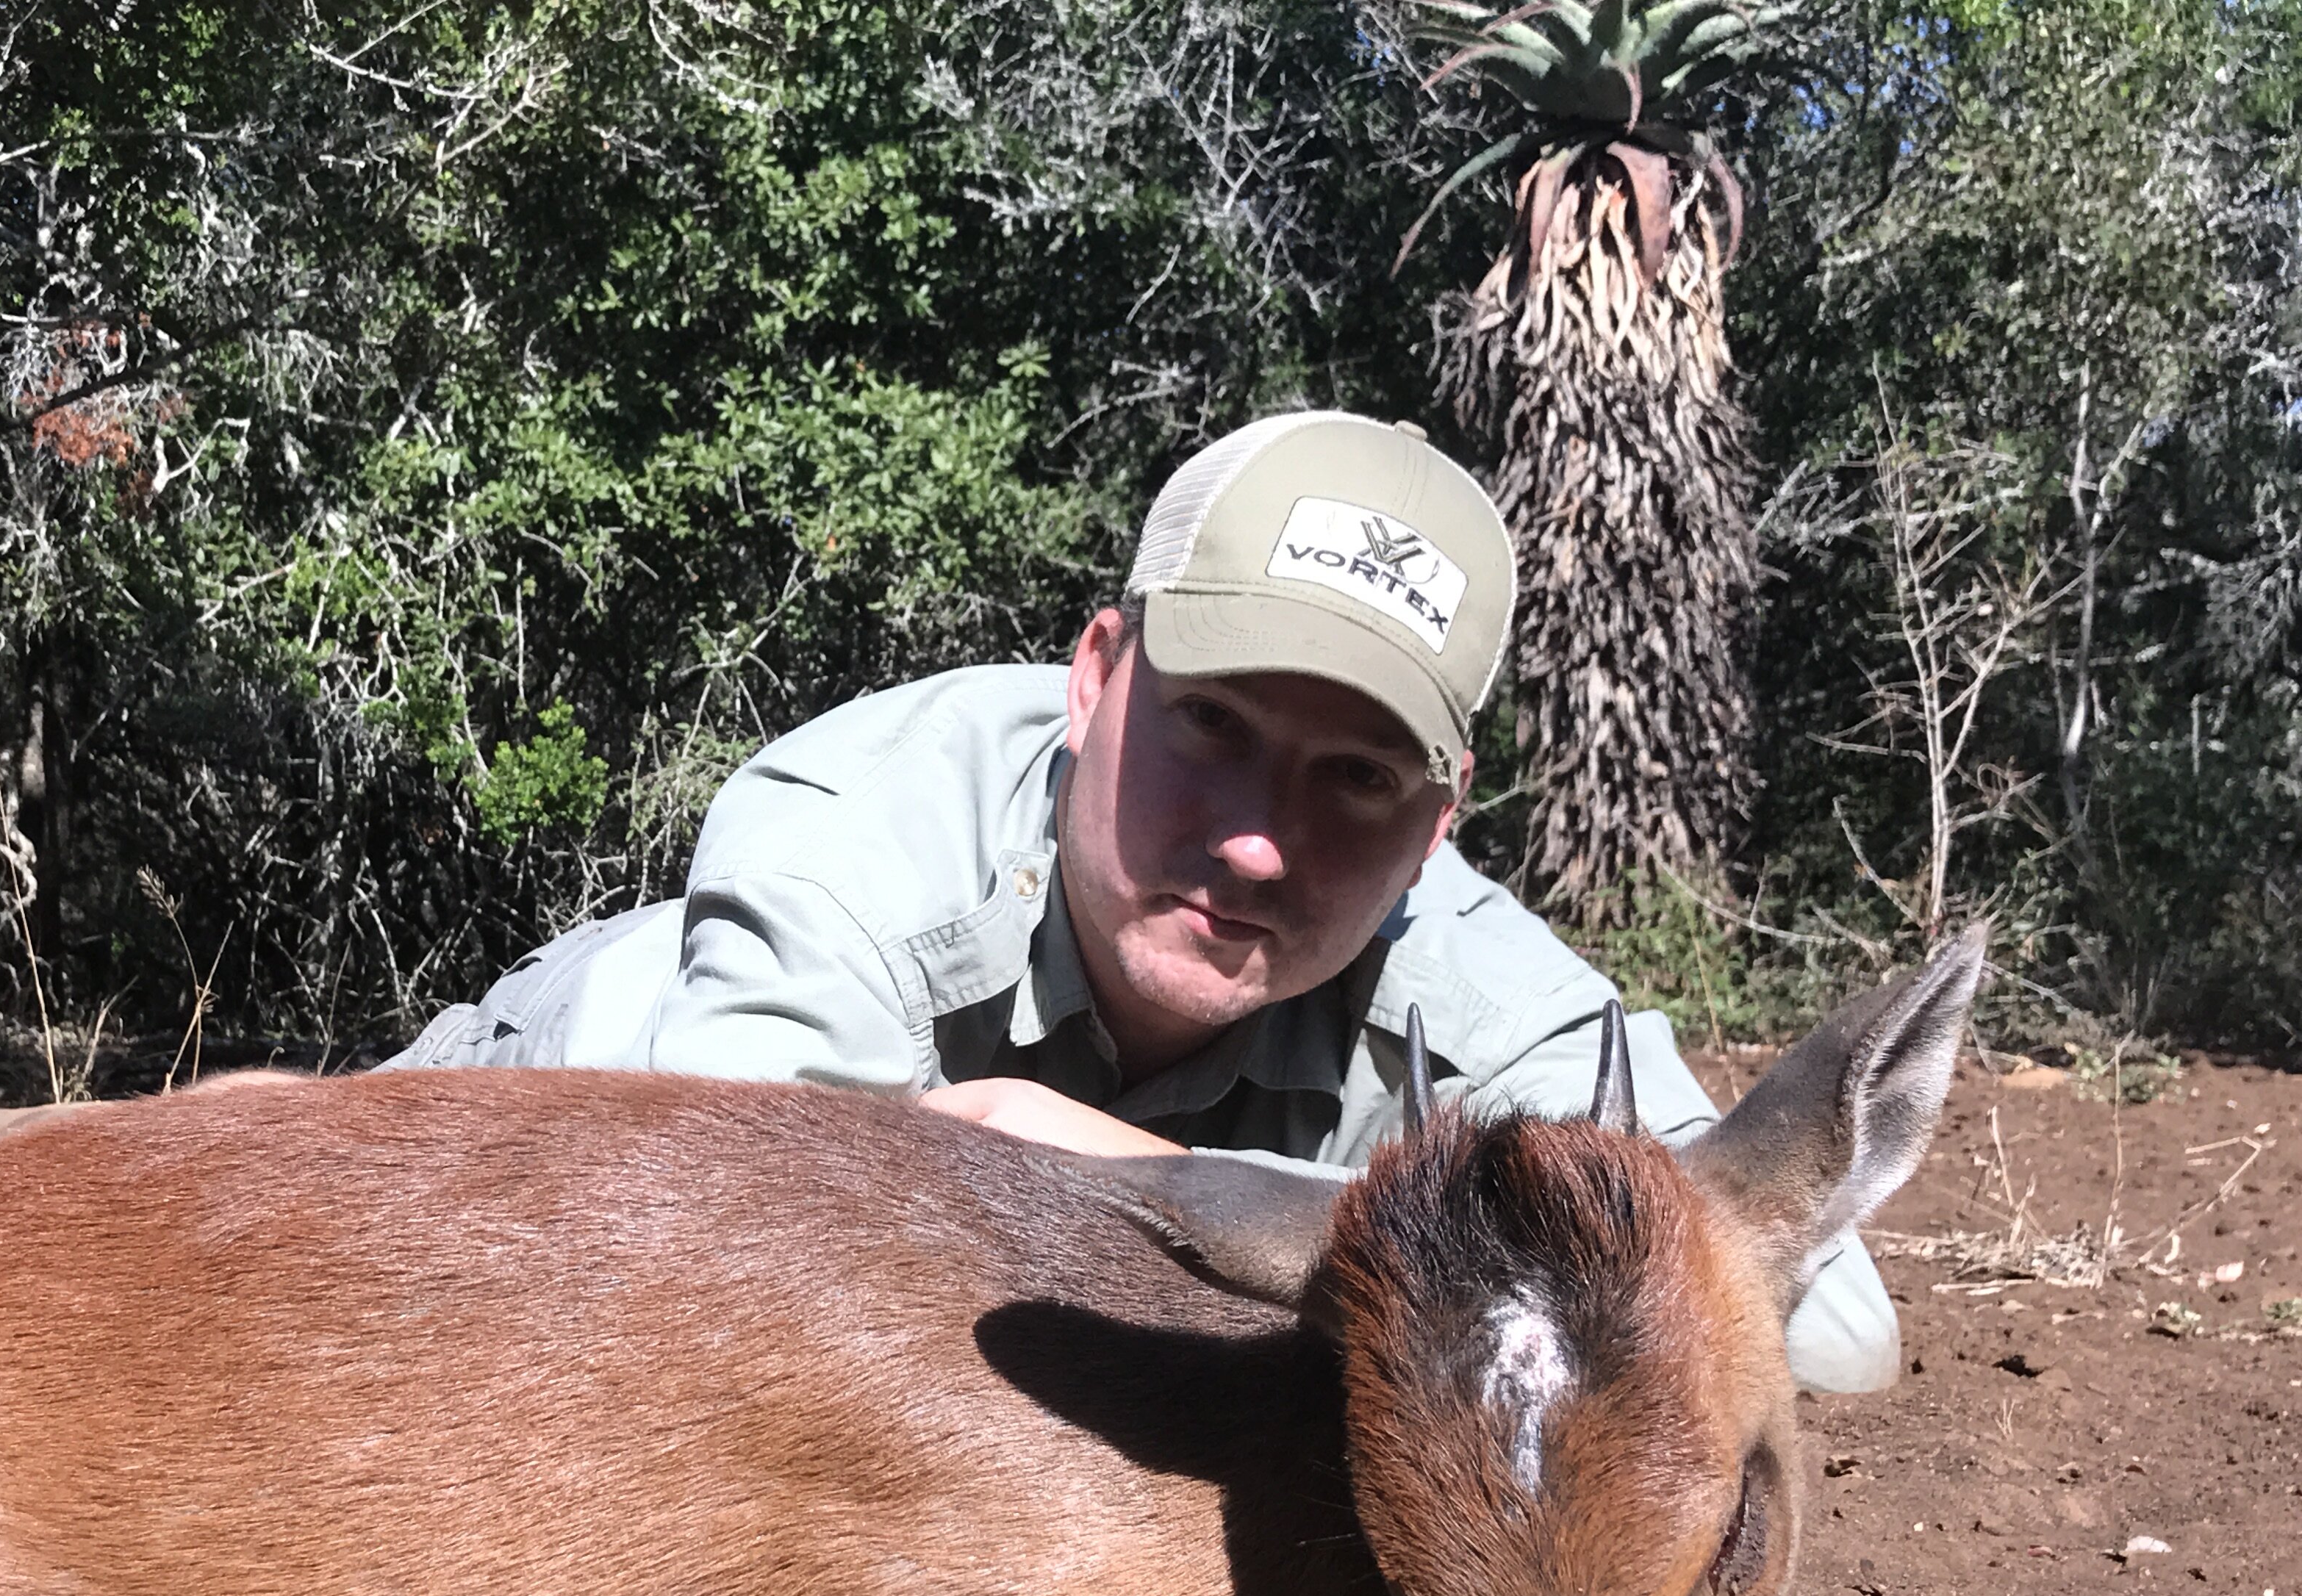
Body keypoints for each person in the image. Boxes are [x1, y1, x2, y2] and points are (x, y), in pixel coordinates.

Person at [387, 409, 1901, 1392]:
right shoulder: (855, 822)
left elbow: (1833, 1334)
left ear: (1440, 823)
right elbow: (718, 1283)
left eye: (1358, 781)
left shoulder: (1480, 1000)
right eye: (1214, 728)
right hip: (496, 1156)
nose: (1258, 844)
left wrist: (1153, 1187)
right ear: (1099, 676)